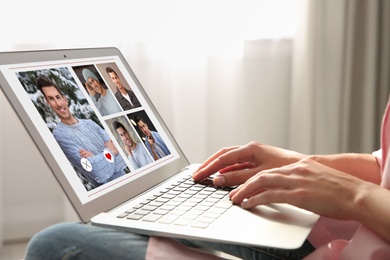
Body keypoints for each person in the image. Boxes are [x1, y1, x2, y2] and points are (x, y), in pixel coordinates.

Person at [24, 94, 390, 259]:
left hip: (353, 239)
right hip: (348, 228)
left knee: (56, 245)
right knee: (134, 217)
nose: (58, 103)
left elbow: (106, 164)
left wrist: (353, 196)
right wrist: (301, 163)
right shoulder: (76, 129)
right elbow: (384, 164)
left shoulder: (91, 123)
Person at [36, 76, 128, 188]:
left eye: (58, 97)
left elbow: (123, 154)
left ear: (65, 99)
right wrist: (111, 151)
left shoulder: (90, 123)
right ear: (48, 104)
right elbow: (97, 172)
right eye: (51, 99)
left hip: (128, 180)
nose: (58, 103)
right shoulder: (60, 135)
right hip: (109, 193)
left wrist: (98, 158)